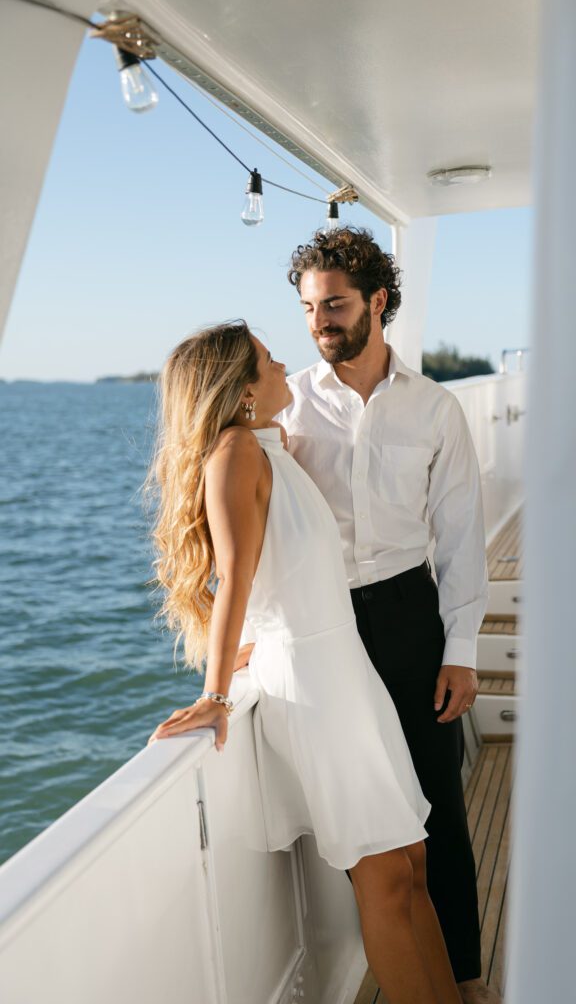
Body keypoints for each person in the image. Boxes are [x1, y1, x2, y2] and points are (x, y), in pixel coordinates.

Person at [146, 320, 466, 1004]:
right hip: (314, 689)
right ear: (237, 391)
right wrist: (217, 694)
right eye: (266, 360)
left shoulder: (268, 445)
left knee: (412, 861)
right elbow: (233, 577)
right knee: (383, 878)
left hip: (346, 675)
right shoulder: (234, 453)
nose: (282, 363)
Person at [279, 229, 496, 1004]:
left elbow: (462, 533)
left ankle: (466, 977)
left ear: (377, 301)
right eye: (308, 308)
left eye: (333, 304)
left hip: (409, 614)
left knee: (436, 803)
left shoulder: (435, 408)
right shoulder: (286, 406)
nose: (319, 322)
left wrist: (461, 647)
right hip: (327, 625)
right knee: (373, 819)